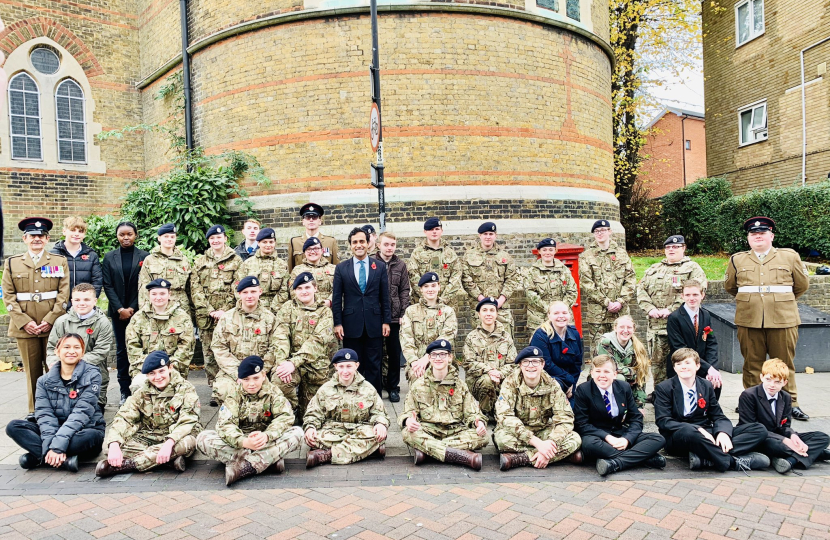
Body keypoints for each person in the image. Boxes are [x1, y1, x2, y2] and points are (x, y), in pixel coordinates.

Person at [725, 217, 810, 420]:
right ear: (748, 238)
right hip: (749, 318)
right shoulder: (737, 259)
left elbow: (802, 285)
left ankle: (790, 402)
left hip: (783, 318)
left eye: (762, 233)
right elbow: (731, 287)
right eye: (753, 234)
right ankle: (752, 401)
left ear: (771, 236)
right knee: (751, 363)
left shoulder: (789, 257)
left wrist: (778, 302)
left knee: (784, 363)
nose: (758, 236)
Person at [653, 348, 769, 472]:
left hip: (708, 433)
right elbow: (663, 421)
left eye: (687, 363)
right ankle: (731, 461)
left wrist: (723, 433)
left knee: (759, 429)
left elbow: (718, 416)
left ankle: (706, 457)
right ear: (674, 368)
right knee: (689, 431)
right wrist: (697, 429)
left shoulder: (706, 385)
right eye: (679, 364)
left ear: (697, 366)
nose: (683, 367)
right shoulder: (664, 388)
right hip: (680, 435)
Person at [196, 355, 303, 485]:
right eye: (246, 379)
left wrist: (267, 435)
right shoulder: (234, 395)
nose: (251, 384)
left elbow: (285, 417)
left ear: (263, 375)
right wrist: (243, 441)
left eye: (256, 378)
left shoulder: (274, 393)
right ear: (240, 380)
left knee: (297, 433)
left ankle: (246, 466)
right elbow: (225, 425)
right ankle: (269, 460)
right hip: (242, 443)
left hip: (265, 440)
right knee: (203, 438)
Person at [5, 333, 105, 471]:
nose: (71, 351)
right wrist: (56, 445)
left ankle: (39, 457)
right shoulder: (43, 381)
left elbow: (81, 413)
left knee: (91, 436)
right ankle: (64, 460)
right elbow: (45, 415)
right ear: (57, 351)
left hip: (82, 430)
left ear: (82, 352)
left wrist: (57, 446)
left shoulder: (93, 375)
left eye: (77, 347)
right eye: (66, 347)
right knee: (13, 426)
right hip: (53, 430)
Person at [2, 217, 71, 414]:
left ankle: (57, 408)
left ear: (47, 238)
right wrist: (24, 322)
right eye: (32, 236)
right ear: (25, 238)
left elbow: (63, 294)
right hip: (25, 327)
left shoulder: (59, 261)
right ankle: (35, 411)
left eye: (41, 236)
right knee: (32, 372)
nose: (36, 239)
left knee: (56, 369)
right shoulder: (12, 263)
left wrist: (50, 320)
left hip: (53, 325)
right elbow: (7, 296)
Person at [96, 351, 202, 477]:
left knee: (188, 443)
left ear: (170, 368)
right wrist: (114, 444)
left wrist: (169, 443)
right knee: (110, 447)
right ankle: (167, 461)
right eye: (152, 373)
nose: (157, 377)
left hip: (178, 436)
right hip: (150, 436)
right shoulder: (142, 392)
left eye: (161, 371)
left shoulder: (186, 389)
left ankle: (127, 465)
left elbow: (187, 421)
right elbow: (124, 417)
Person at [401, 340, 488, 470]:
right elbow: (408, 412)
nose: (438, 358)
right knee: (408, 433)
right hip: (428, 430)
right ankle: (461, 455)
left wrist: (479, 423)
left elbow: (472, 413)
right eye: (434, 355)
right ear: (429, 358)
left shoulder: (460, 385)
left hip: (455, 431)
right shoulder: (418, 385)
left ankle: (429, 451)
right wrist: (408, 421)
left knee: (483, 437)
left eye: (442, 354)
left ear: (450, 357)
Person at [573, 355, 665, 476]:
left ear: (615, 374)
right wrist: (607, 437)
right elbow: (582, 424)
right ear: (592, 373)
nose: (602, 375)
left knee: (658, 439)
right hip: (597, 437)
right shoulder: (583, 390)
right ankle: (645, 458)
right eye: (598, 371)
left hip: (620, 433)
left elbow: (636, 418)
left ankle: (615, 463)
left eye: (606, 371)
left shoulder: (624, 387)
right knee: (589, 444)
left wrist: (627, 439)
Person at [494, 346, 583, 471]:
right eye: (526, 361)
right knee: (502, 440)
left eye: (535, 361)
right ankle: (559, 455)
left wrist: (551, 442)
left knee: (575, 439)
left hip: (543, 431)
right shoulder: (510, 383)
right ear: (520, 365)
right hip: (519, 433)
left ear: (542, 364)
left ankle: (524, 458)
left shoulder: (552, 385)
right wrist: (537, 443)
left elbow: (565, 418)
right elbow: (505, 416)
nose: (531, 366)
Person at [636, 235, 707, 391]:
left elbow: (695, 293)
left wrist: (671, 310)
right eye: (668, 247)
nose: (671, 250)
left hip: (681, 326)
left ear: (683, 248)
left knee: (681, 361)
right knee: (657, 363)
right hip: (656, 327)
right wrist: (650, 309)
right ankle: (659, 393)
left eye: (676, 247)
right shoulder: (654, 268)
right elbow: (641, 290)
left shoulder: (693, 268)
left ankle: (681, 392)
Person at [738, 359, 830, 474]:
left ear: (785, 383)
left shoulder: (785, 397)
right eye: (768, 379)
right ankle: (818, 453)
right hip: (759, 438)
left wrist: (792, 435)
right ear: (761, 377)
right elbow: (751, 428)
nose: (772, 385)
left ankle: (791, 460)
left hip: (778, 436)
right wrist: (785, 440)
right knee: (777, 446)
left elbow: (785, 425)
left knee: (823, 437)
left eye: (777, 382)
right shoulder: (748, 395)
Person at [304, 348, 390, 468]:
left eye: (349, 366)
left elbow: (380, 412)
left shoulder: (368, 389)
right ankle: (366, 451)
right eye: (341, 366)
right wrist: (310, 427)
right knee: (313, 437)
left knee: (377, 435)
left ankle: (327, 454)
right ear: (335, 367)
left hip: (360, 430)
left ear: (356, 365)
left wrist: (380, 424)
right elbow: (313, 413)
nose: (345, 371)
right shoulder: (325, 389)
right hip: (333, 431)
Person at [332, 227, 392, 393]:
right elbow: (337, 299)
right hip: (351, 325)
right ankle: (354, 399)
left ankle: (375, 402)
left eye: (362, 241)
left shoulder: (379, 267)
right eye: (355, 242)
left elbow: (384, 297)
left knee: (374, 365)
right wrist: (338, 323)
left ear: (368, 244)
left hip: (374, 324)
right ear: (350, 245)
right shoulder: (342, 268)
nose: (358, 245)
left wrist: (386, 321)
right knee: (353, 365)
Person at [271, 272, 337, 419]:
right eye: (299, 288)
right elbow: (280, 336)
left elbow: (318, 340)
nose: (304, 291)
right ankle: (286, 413)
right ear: (294, 291)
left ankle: (301, 409)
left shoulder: (324, 311)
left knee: (309, 416)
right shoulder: (288, 308)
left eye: (307, 287)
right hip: (291, 363)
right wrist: (282, 363)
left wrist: (294, 362)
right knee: (279, 380)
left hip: (316, 366)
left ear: (315, 288)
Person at [191, 225, 244, 406]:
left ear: (225, 239)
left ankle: (232, 386)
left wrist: (224, 310)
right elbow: (195, 288)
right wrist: (210, 309)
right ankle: (215, 389)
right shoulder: (199, 262)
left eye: (218, 237)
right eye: (212, 238)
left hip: (229, 315)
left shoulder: (236, 261)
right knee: (210, 353)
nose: (215, 241)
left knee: (229, 350)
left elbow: (238, 288)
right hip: (207, 316)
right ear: (209, 241)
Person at [46, 283, 115, 411]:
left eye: (86, 299)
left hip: (92, 376)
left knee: (89, 416)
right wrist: (54, 364)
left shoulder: (103, 323)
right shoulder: (62, 322)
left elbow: (100, 352)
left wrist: (74, 363)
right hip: (64, 374)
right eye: (77, 300)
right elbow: (52, 348)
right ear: (71, 301)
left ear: (95, 301)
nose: (81, 303)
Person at [212, 276, 279, 404]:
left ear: (260, 291)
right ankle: (230, 419)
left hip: (261, 371)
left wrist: (259, 372)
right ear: (239, 294)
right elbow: (219, 348)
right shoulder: (227, 318)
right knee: (223, 389)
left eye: (253, 291)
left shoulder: (270, 319)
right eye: (245, 292)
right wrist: (239, 373)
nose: (249, 296)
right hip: (233, 371)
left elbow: (274, 348)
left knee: (272, 393)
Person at [102, 222, 149, 405]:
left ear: (135, 235)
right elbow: (107, 284)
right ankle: (124, 391)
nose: (126, 237)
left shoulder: (144, 257)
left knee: (141, 349)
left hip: (139, 312)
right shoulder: (109, 257)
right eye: (122, 234)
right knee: (122, 351)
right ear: (117, 236)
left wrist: (132, 308)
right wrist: (120, 309)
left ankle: (142, 388)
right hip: (118, 313)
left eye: (129, 234)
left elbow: (145, 285)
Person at [578, 219, 636, 351]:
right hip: (598, 314)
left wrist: (620, 301)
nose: (599, 233)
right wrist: (606, 302)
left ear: (610, 231)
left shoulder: (621, 254)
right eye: (596, 231)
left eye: (603, 230)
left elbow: (630, 279)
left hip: (620, 312)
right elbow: (587, 283)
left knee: (624, 347)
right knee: (599, 349)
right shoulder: (587, 256)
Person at [126, 279, 195, 385]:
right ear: (149, 294)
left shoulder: (182, 317)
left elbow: (186, 347)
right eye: (154, 294)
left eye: (162, 293)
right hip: (145, 370)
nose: (158, 297)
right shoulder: (138, 318)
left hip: (173, 369)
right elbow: (133, 348)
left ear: (169, 294)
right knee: (138, 384)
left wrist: (167, 368)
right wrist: (151, 368)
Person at [461, 222, 521, 336]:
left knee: (505, 340)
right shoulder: (469, 256)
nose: (488, 237)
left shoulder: (505, 256)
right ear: (480, 235)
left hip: (501, 307)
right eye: (485, 234)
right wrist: (481, 299)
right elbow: (466, 279)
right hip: (479, 307)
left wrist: (501, 300)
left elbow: (512, 279)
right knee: (481, 341)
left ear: (495, 235)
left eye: (491, 234)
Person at [462, 297, 517, 419]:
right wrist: (489, 371)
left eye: (492, 310)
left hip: (502, 382)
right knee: (487, 380)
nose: (488, 314)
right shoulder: (472, 337)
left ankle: (498, 410)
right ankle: (485, 413)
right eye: (484, 310)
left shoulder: (506, 337)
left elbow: (513, 364)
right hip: (479, 384)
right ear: (479, 314)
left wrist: (499, 373)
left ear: (496, 313)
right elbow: (468, 363)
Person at [666, 279, 722, 397]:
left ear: (702, 295)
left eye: (695, 294)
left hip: (700, 364)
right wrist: (706, 368)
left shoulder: (705, 315)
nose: (691, 298)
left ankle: (709, 412)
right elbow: (679, 348)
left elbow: (711, 342)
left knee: (716, 381)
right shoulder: (674, 318)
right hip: (683, 364)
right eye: (687, 295)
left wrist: (712, 368)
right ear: (682, 296)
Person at [401, 272, 458, 382]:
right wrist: (415, 362)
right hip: (417, 363)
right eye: (426, 286)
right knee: (418, 382)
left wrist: (427, 358)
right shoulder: (411, 311)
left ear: (439, 287)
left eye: (433, 286)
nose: (430, 289)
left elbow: (446, 338)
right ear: (421, 289)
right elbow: (406, 340)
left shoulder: (448, 312)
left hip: (442, 361)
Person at [375, 231, 410, 402]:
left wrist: (403, 313)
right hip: (376, 316)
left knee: (394, 353)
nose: (389, 248)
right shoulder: (372, 263)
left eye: (392, 245)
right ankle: (376, 386)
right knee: (376, 353)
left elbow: (404, 290)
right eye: (386, 244)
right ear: (378, 245)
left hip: (395, 317)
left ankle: (393, 387)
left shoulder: (401, 265)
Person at [530, 301, 583, 405]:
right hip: (547, 378)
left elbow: (577, 363)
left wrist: (573, 384)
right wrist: (568, 379)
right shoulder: (541, 335)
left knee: (574, 412)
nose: (561, 316)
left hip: (568, 381)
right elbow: (547, 365)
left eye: (564, 313)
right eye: (556, 313)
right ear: (549, 315)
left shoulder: (574, 333)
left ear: (569, 315)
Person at [595, 315, 649, 408]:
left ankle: (631, 406)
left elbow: (641, 377)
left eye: (629, 327)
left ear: (634, 329)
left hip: (628, 383)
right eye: (621, 327)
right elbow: (610, 368)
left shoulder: (637, 347)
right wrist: (631, 372)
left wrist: (640, 406)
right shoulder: (605, 343)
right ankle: (614, 407)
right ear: (615, 328)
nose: (625, 330)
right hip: (603, 379)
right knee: (619, 378)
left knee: (639, 374)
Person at [407, 217, 462, 308]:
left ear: (442, 231)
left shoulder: (450, 253)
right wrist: (428, 298)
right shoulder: (417, 253)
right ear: (425, 232)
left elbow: (456, 277)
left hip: (446, 305)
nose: (434, 232)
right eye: (431, 229)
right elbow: (413, 276)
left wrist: (443, 299)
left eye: (437, 229)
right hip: (422, 304)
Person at [524, 238, 577, 330]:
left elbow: (572, 291)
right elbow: (530, 293)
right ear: (539, 251)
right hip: (539, 318)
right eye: (544, 250)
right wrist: (548, 309)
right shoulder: (532, 272)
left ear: (555, 251)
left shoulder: (564, 270)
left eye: (550, 250)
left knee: (565, 343)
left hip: (562, 319)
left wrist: (560, 309)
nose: (547, 253)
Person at [138, 223, 192, 312]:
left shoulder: (184, 260)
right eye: (166, 236)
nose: (169, 239)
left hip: (181, 307)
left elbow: (190, 288)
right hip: (158, 306)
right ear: (159, 238)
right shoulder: (150, 260)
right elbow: (144, 288)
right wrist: (146, 310)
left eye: (172, 237)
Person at [49, 216, 103, 304]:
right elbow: (50, 284)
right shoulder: (53, 255)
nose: (77, 234)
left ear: (84, 234)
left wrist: (87, 302)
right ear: (64, 231)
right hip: (60, 305)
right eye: (73, 230)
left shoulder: (92, 255)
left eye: (80, 231)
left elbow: (97, 282)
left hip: (84, 306)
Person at [238, 228, 290, 311]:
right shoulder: (248, 263)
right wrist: (251, 306)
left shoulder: (282, 265)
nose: (268, 245)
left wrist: (273, 308)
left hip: (276, 309)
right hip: (252, 308)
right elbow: (238, 286)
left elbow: (285, 290)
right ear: (258, 243)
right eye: (264, 242)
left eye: (271, 242)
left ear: (275, 243)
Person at [287, 203, 340, 271]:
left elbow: (337, 268)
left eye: (314, 217)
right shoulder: (294, 242)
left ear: (320, 221)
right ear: (303, 221)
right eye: (307, 217)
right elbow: (291, 269)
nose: (311, 220)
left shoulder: (330, 241)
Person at [288, 237, 336, 306]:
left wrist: (329, 302)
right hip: (305, 310)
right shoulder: (297, 270)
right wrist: (309, 303)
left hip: (329, 309)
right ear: (304, 252)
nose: (313, 252)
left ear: (322, 250)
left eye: (316, 249)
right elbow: (293, 291)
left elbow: (339, 289)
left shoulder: (333, 269)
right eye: (309, 249)